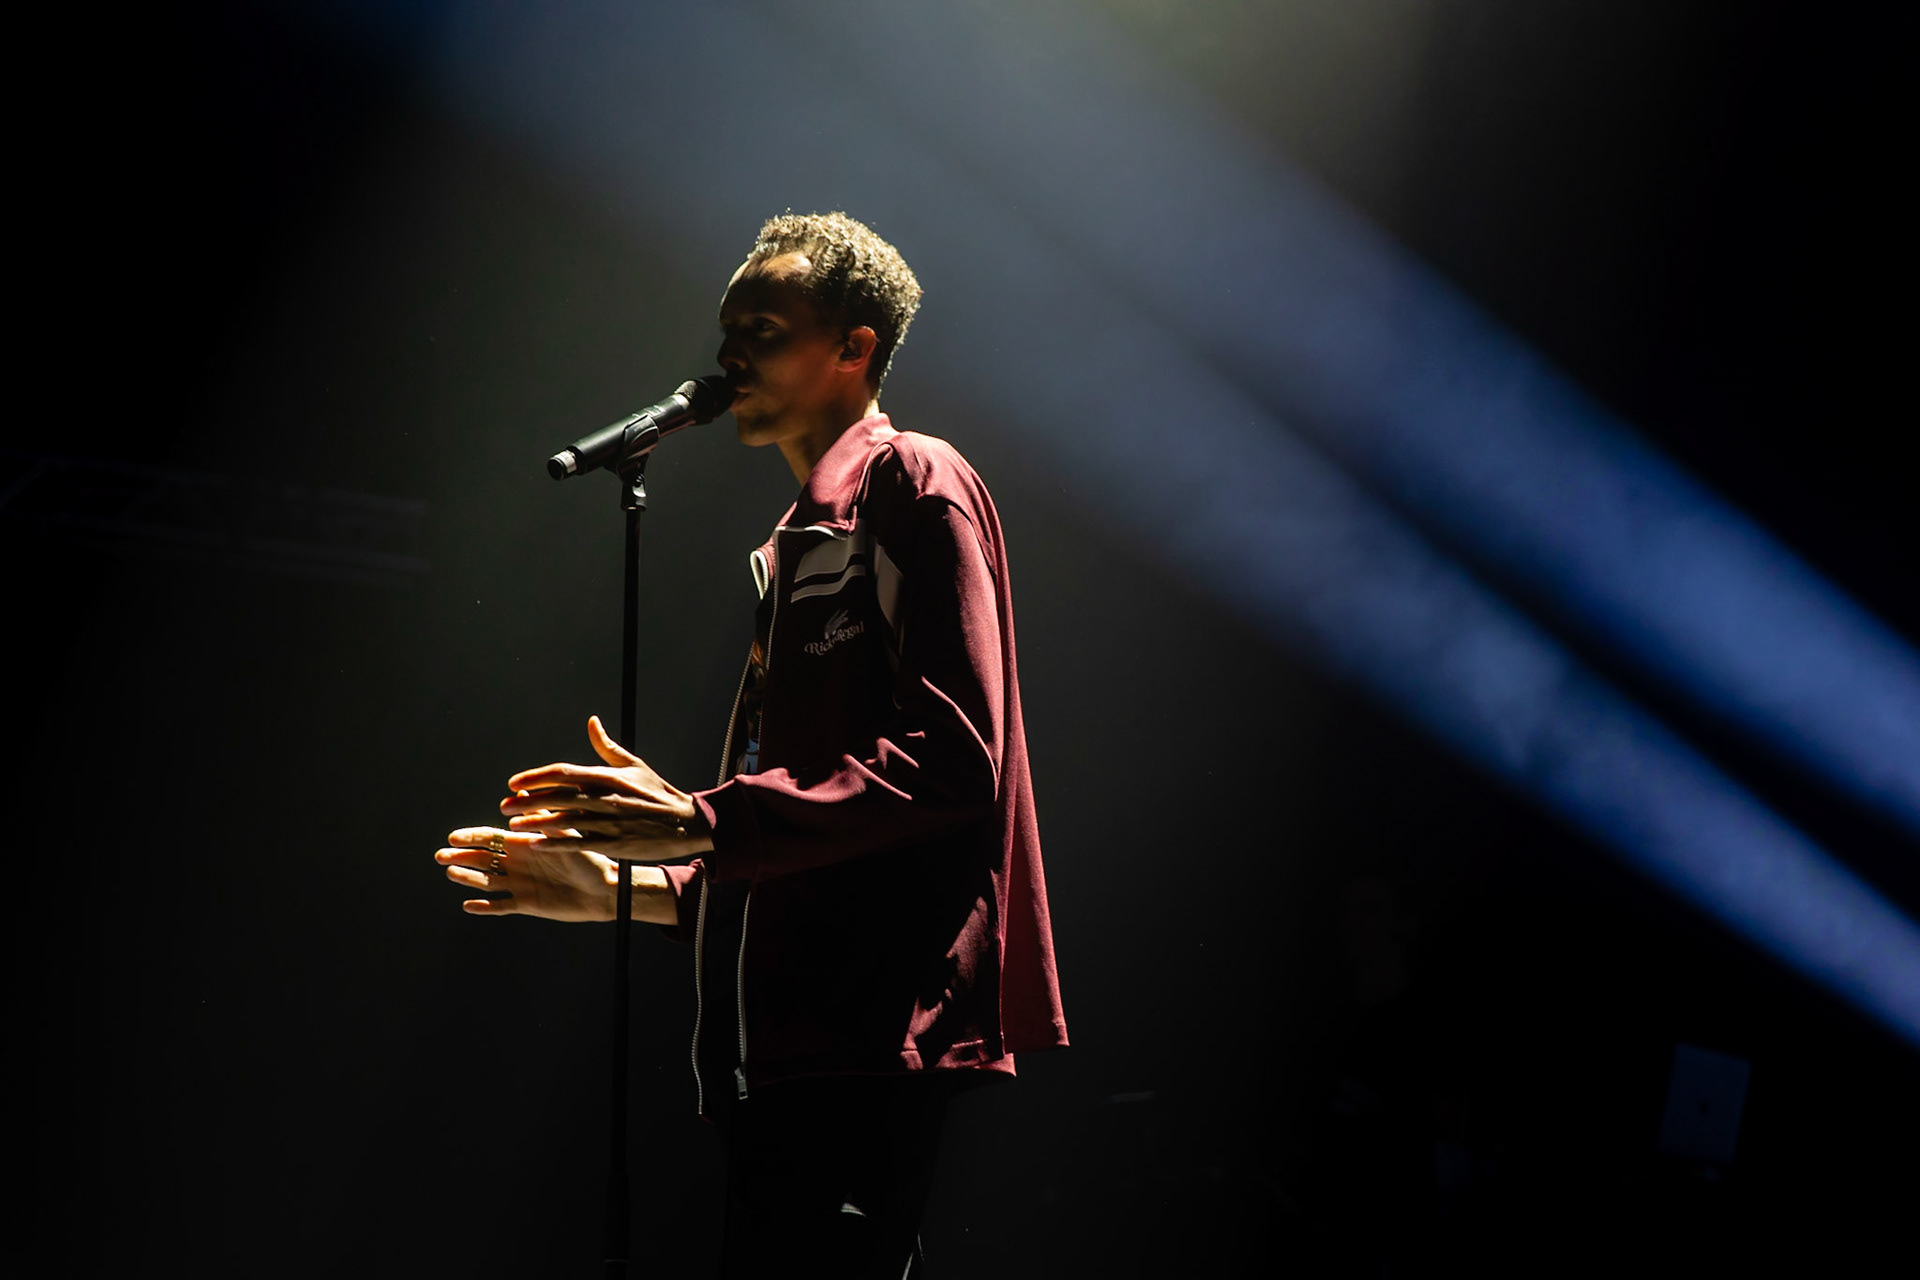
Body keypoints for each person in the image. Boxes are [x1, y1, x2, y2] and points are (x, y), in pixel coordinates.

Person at [434, 211, 1068, 1277]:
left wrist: (701, 816)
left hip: (865, 1046)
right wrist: (624, 887)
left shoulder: (915, 480)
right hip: (777, 1060)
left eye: (762, 327)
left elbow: (958, 756)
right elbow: (805, 847)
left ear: (854, 348)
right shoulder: (795, 545)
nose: (728, 356)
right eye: (727, 330)